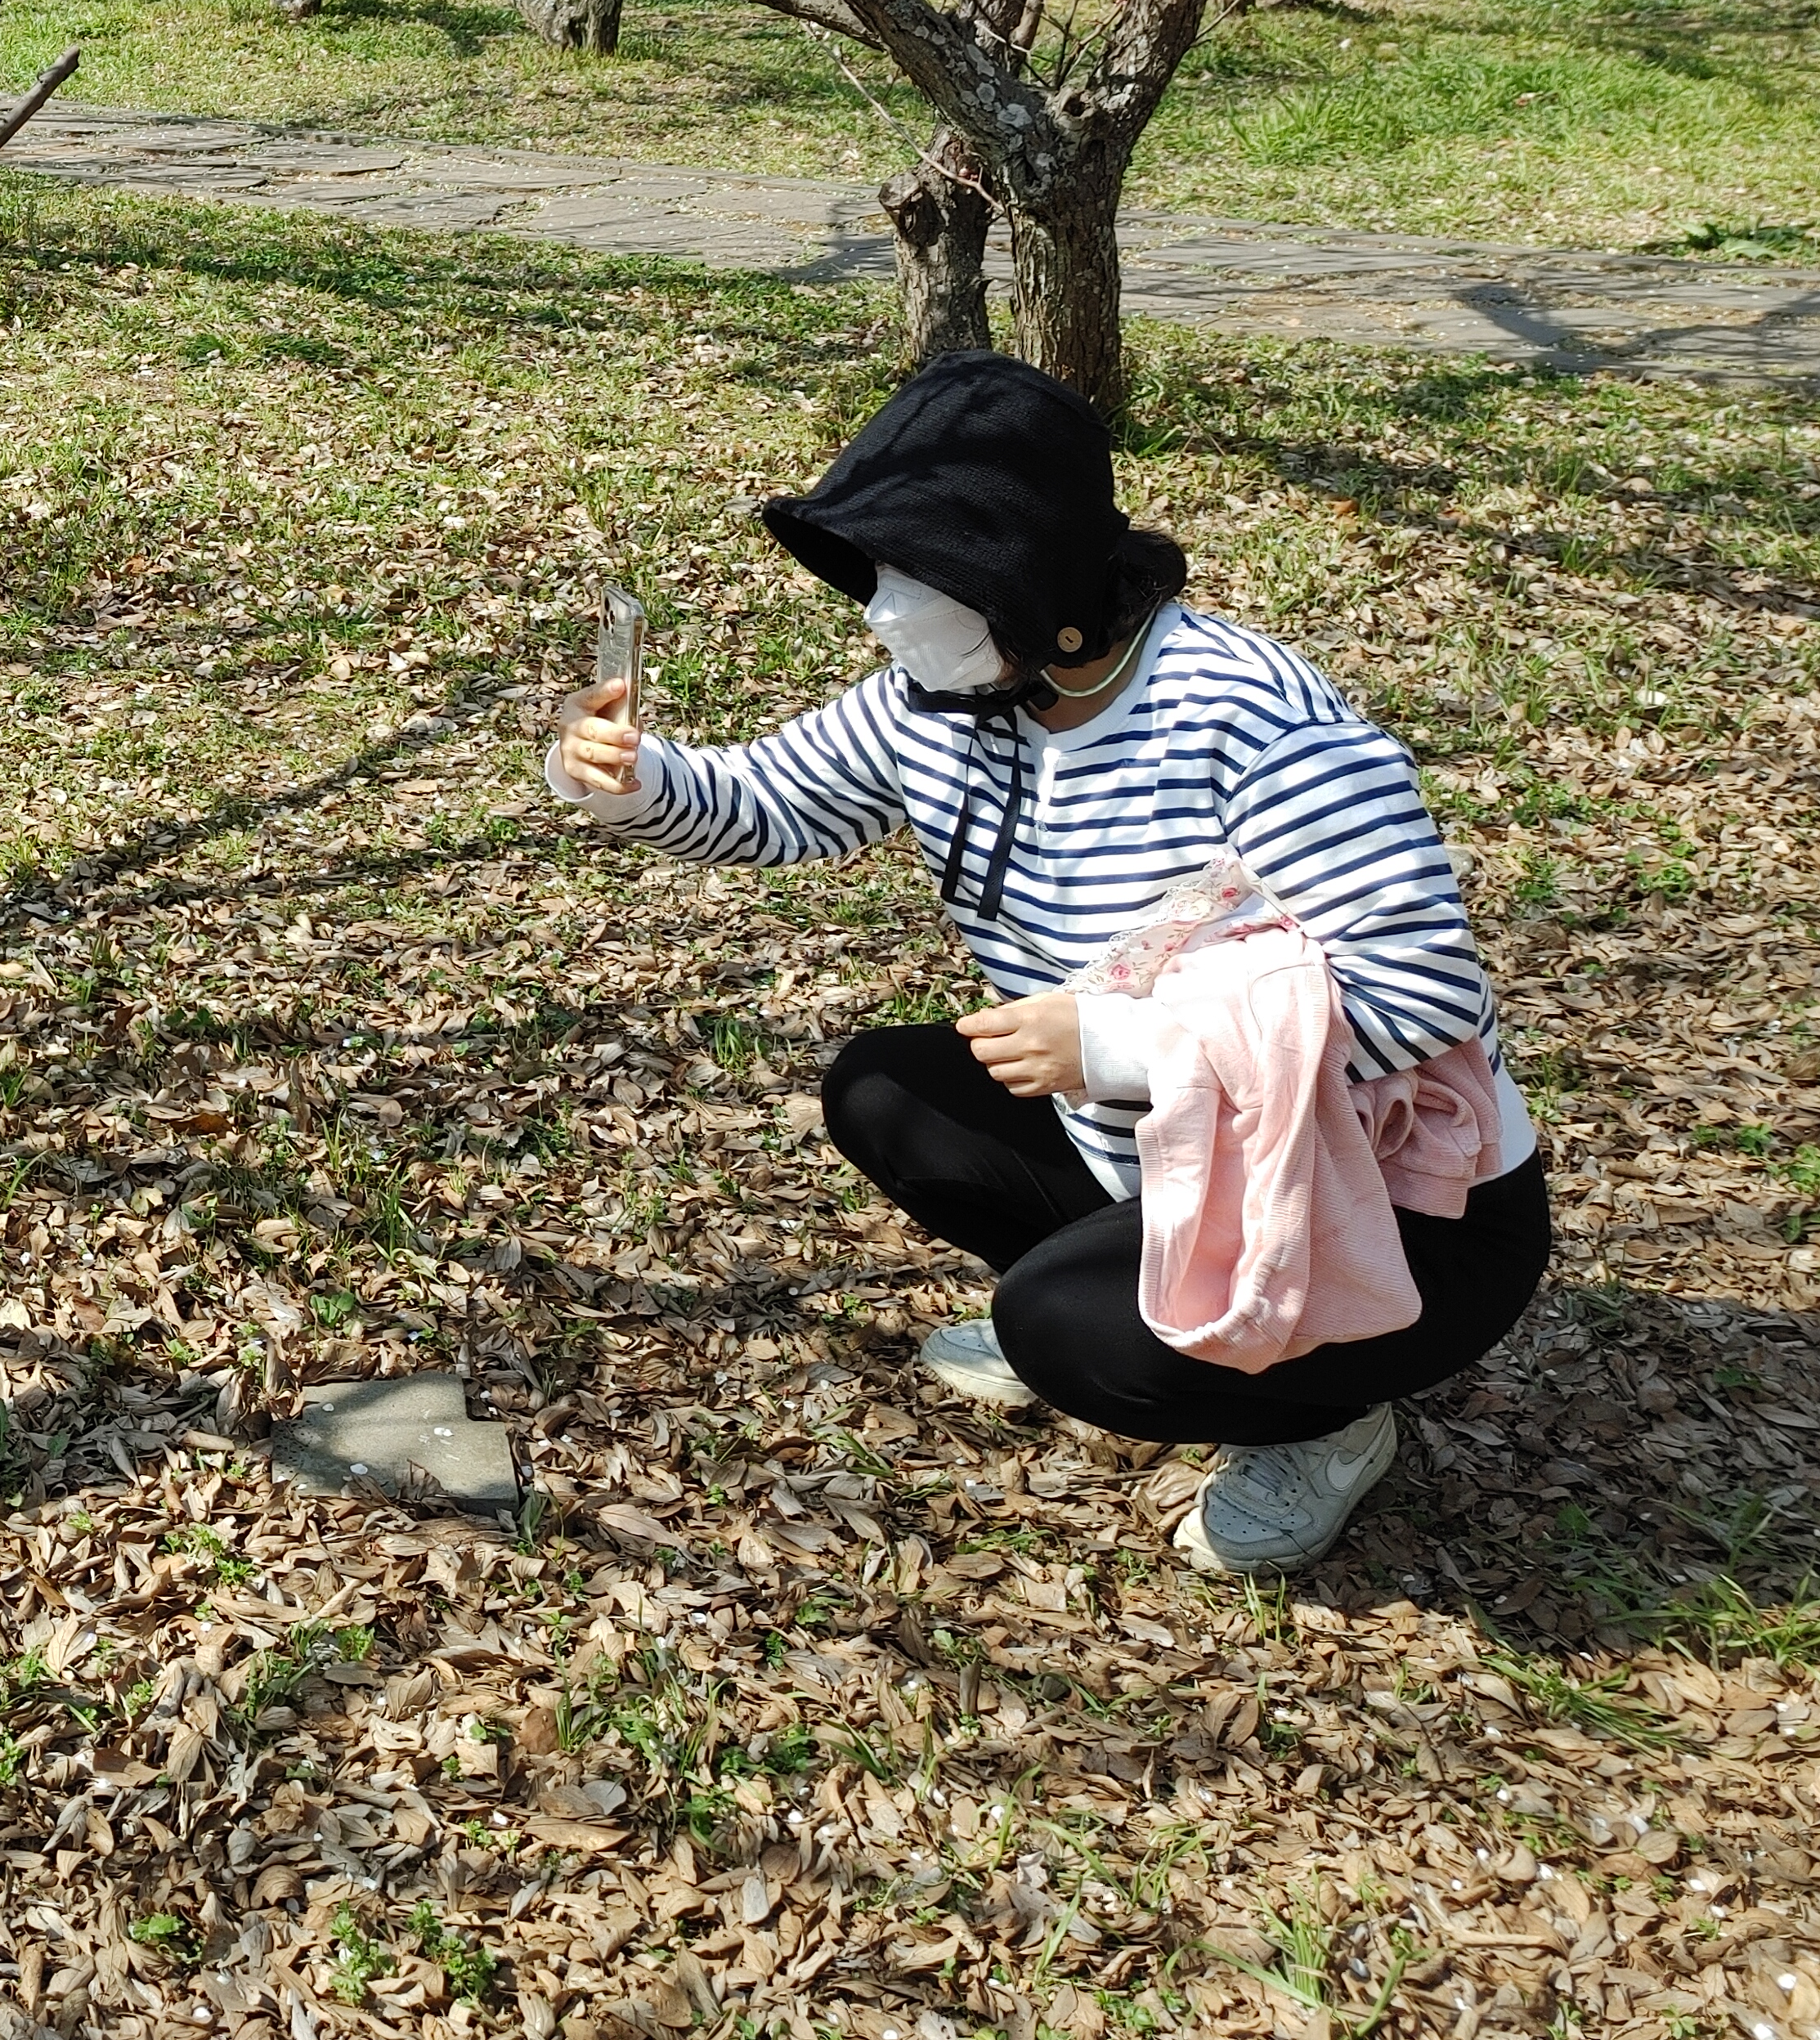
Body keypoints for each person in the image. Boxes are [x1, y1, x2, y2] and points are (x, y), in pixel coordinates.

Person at [547, 353, 1549, 1572]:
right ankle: (1144, 1291)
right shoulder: (942, 696)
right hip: (1170, 1136)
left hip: (1391, 1202)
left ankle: (1323, 1421)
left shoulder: (1245, 719)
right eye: (878, 575)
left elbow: (1421, 992)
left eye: (926, 580)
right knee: (885, 1089)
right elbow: (776, 805)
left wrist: (1123, 1049)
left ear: (1032, 586)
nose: (888, 611)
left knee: (1056, 1330)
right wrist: (632, 779)